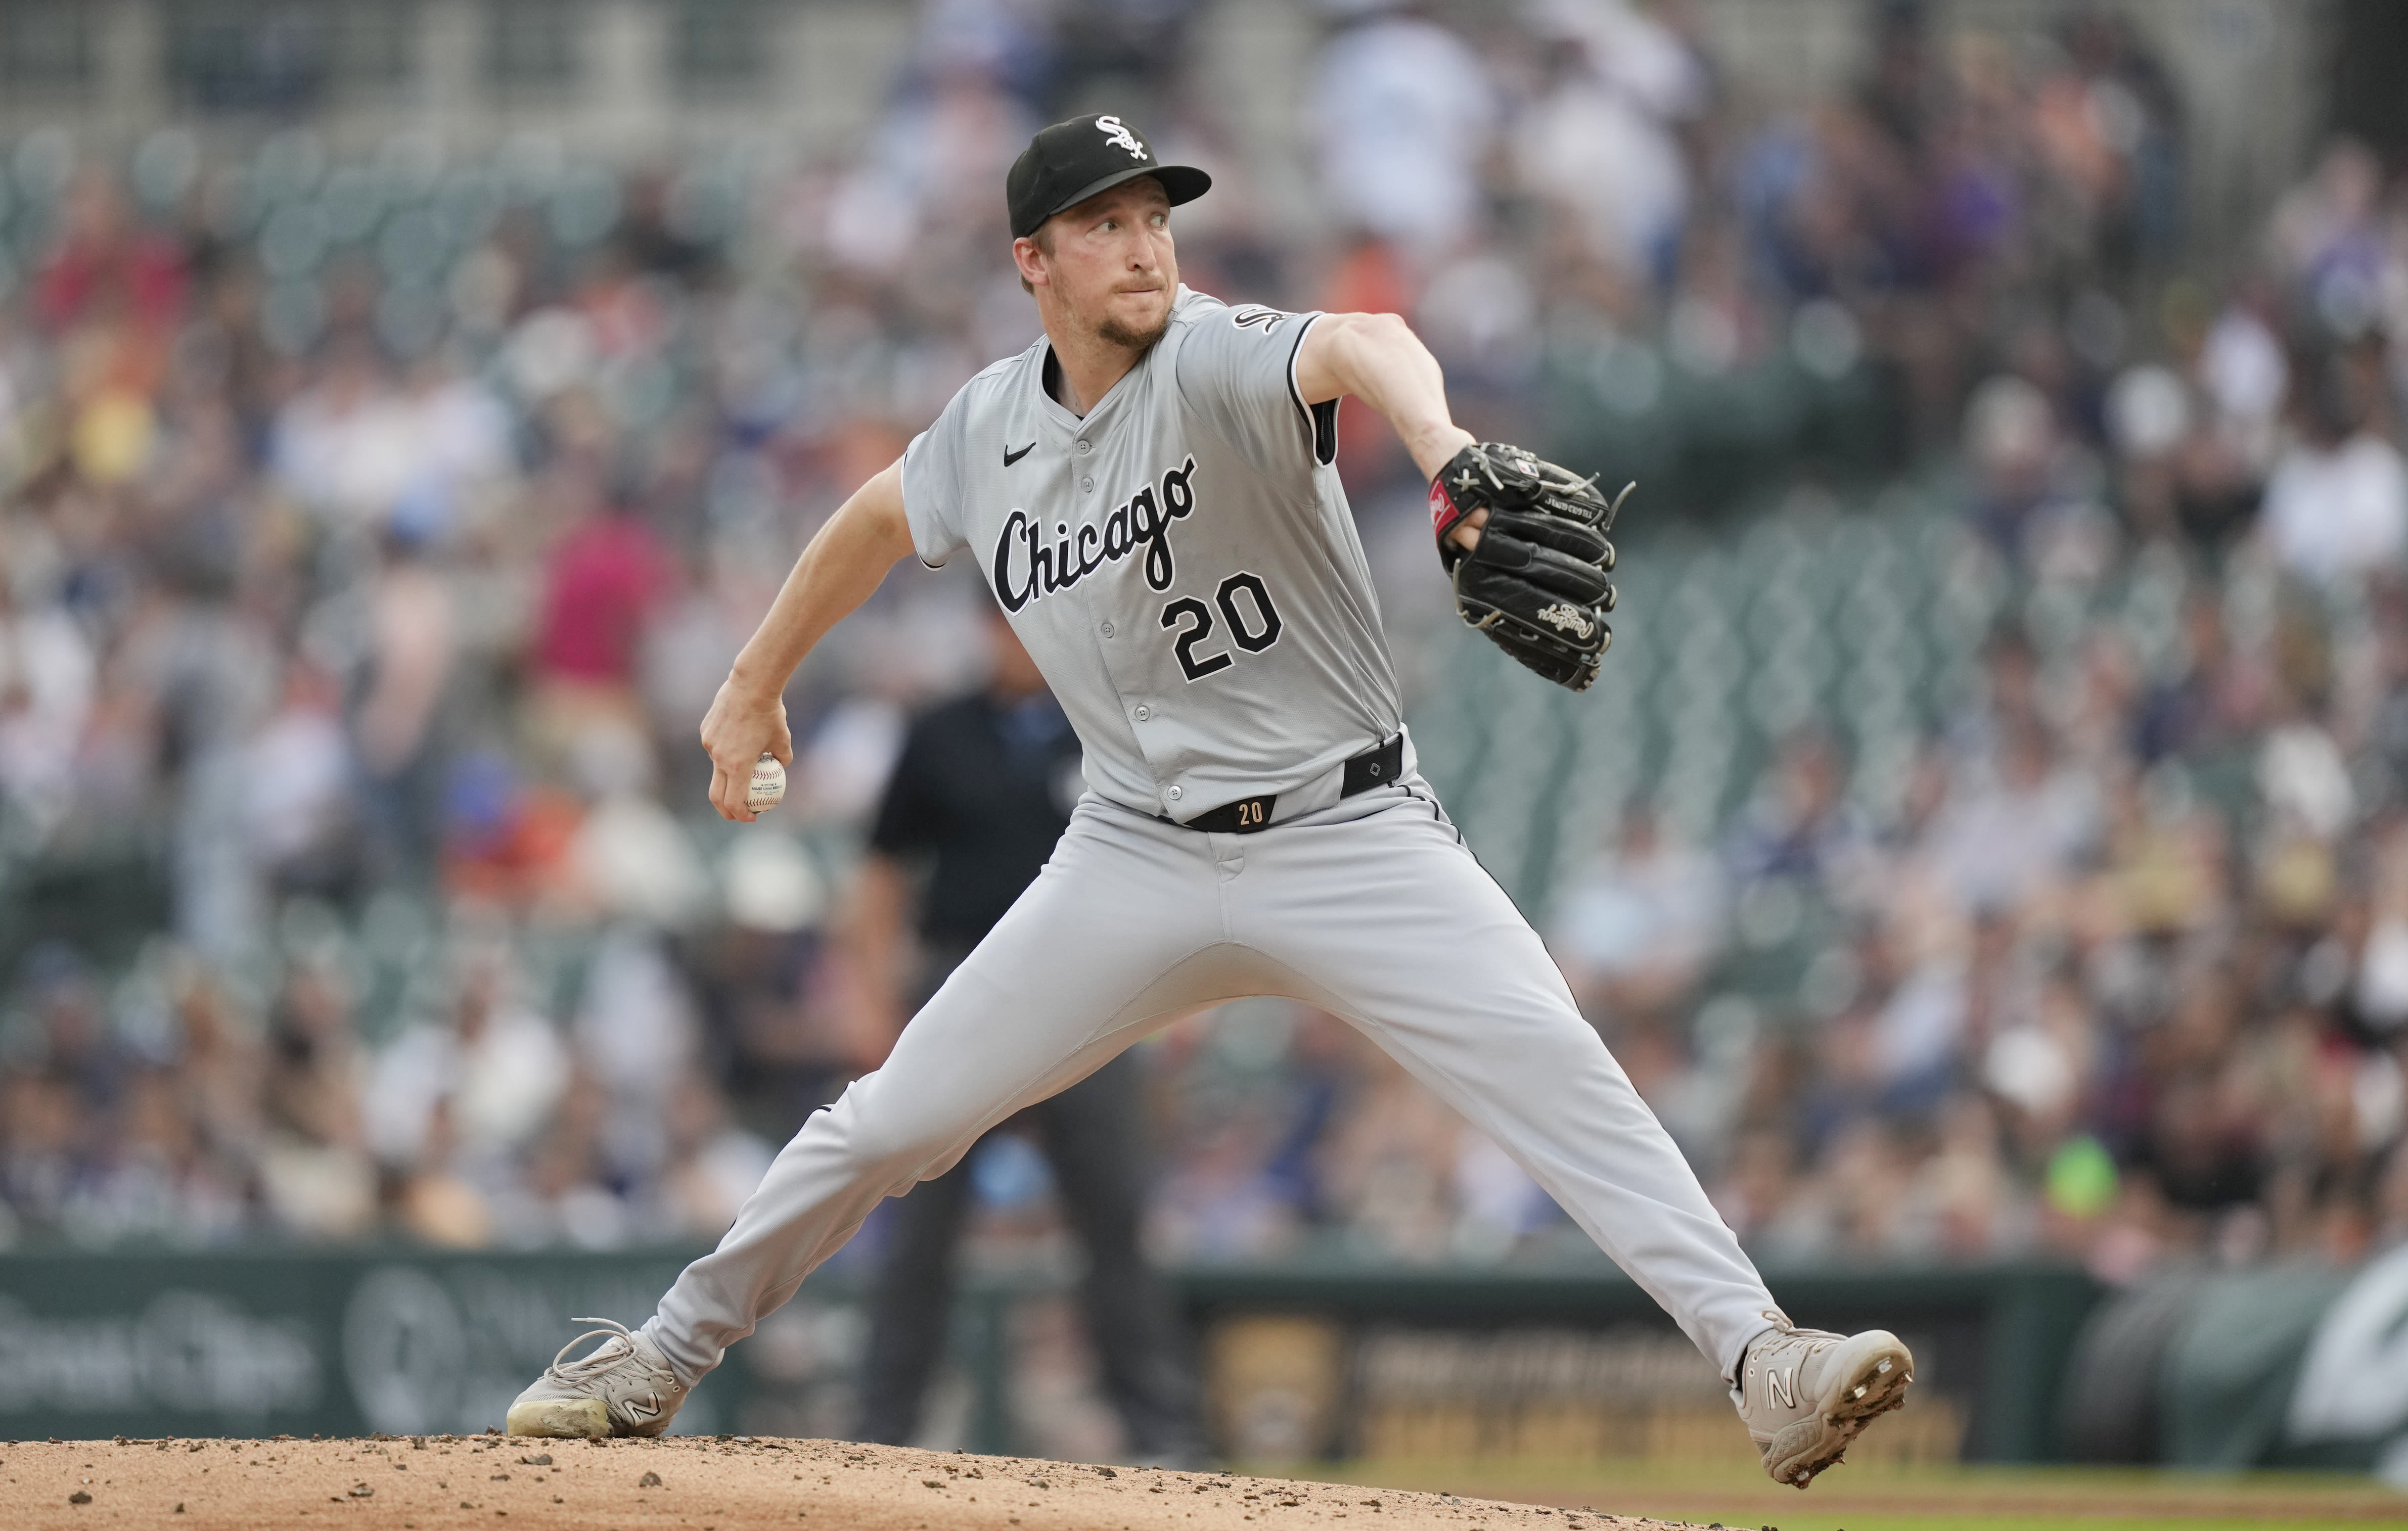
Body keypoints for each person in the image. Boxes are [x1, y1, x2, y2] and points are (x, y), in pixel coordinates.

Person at [507, 113, 1913, 1489]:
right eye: (1103, 225)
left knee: (1563, 1076)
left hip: (1351, 827)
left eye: (1154, 219)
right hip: (1133, 854)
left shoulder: (1219, 358)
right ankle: (658, 1356)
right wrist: (754, 684)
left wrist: (1441, 451)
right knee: (890, 1121)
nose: (1142, 248)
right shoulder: (987, 430)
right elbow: (877, 517)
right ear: (1031, 264)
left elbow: (1364, 343)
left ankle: (1765, 1362)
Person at [840, 604, 1202, 1458]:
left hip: (1090, 994)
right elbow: (882, 871)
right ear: (984, 631)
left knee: (1114, 1218)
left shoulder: (1110, 728)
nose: (1019, 640)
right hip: (959, 982)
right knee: (917, 1224)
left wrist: (1177, 999)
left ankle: (1164, 1436)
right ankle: (882, 1430)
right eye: (1004, 623)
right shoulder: (939, 732)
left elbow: (1174, 864)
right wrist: (868, 998)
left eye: (1034, 623)